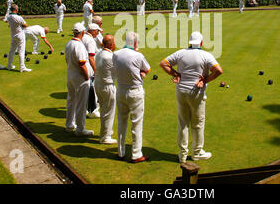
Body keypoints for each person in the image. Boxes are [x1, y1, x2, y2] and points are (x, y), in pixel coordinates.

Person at [159, 31, 223, 163]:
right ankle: (197, 152)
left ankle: (182, 155)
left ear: (190, 42)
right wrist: (205, 80)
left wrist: (176, 74)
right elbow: (218, 70)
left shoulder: (180, 53)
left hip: (181, 90)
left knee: (183, 123)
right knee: (198, 123)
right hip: (196, 92)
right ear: (201, 43)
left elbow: (163, 64)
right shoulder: (206, 55)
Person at [113, 32, 151, 163]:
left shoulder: (116, 54)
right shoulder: (138, 55)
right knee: (136, 124)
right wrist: (141, 73)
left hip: (121, 90)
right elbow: (147, 69)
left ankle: (120, 151)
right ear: (135, 43)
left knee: (121, 122)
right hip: (135, 92)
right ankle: (136, 154)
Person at [65, 22, 94, 136]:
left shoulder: (69, 43)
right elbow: (82, 64)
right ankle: (80, 129)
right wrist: (87, 77)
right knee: (81, 103)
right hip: (80, 77)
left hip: (70, 74)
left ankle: (69, 125)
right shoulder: (79, 46)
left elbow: (67, 60)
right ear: (82, 33)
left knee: (71, 100)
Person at [94, 34, 117, 144]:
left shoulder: (99, 53)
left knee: (104, 109)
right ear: (112, 44)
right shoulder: (110, 57)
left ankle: (107, 131)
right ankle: (105, 137)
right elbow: (117, 72)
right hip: (107, 86)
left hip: (98, 84)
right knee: (108, 111)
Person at [82, 23, 102, 119]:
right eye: (97, 31)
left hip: (80, 67)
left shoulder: (82, 37)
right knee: (91, 88)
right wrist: (96, 70)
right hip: (88, 67)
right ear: (93, 31)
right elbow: (91, 57)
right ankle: (93, 110)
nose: (98, 33)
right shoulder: (90, 41)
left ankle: (85, 109)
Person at [7, 4, 32, 72]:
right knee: (21, 51)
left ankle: (9, 65)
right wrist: (28, 25)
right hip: (20, 35)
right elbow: (25, 25)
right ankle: (22, 67)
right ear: (16, 10)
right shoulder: (19, 17)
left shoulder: (8, 16)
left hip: (13, 35)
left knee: (12, 50)